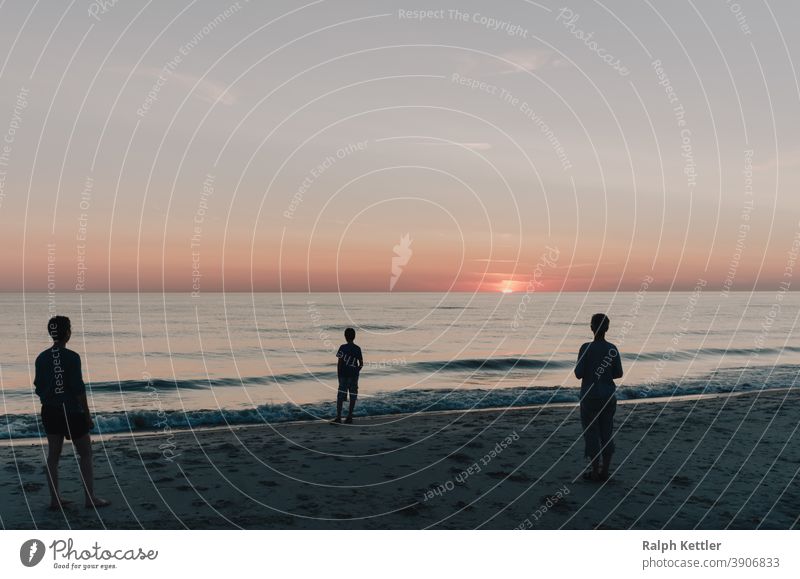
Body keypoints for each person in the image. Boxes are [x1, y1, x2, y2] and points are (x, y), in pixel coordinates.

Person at [34, 316, 110, 510]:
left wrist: (49, 397)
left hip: (50, 411)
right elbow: (78, 389)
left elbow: (38, 386)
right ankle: (89, 497)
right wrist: (87, 414)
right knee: (85, 453)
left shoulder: (41, 358)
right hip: (72, 411)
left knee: (53, 455)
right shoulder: (72, 357)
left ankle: (55, 499)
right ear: (67, 332)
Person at [574, 313, 623, 482]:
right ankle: (605, 470)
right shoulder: (612, 348)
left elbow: (578, 374)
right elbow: (618, 373)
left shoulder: (586, 348)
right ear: (607, 328)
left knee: (591, 432)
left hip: (590, 395)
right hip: (608, 394)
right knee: (606, 432)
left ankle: (595, 471)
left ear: (591, 327)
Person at [331, 327, 363, 424]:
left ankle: (339, 417)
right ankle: (349, 416)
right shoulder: (357, 348)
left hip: (343, 375)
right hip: (353, 376)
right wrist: (357, 370)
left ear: (345, 337)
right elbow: (361, 363)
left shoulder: (342, 347)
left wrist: (338, 375)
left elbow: (339, 363)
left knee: (340, 396)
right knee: (352, 395)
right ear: (354, 337)